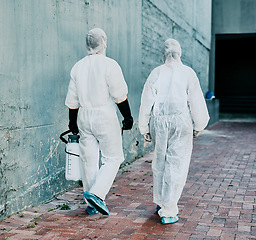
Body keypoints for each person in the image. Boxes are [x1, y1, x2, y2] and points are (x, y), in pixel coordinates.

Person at [138, 38, 209, 224]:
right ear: (180, 52)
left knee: (160, 162)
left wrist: (144, 127)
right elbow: (196, 99)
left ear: (163, 53)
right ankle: (169, 210)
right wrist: (199, 125)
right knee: (176, 164)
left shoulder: (156, 73)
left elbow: (146, 101)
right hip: (181, 122)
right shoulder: (188, 73)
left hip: (159, 122)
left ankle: (162, 203)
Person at [65, 28, 133, 216]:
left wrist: (72, 123)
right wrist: (127, 117)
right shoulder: (110, 65)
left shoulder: (78, 66)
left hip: (84, 116)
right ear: (103, 42)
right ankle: (97, 194)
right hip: (104, 116)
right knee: (114, 157)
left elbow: (72, 100)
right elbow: (119, 95)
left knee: (89, 159)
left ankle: (90, 203)